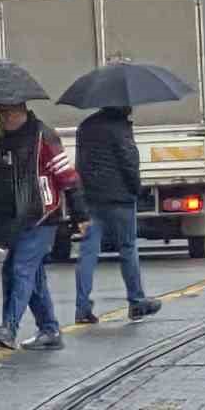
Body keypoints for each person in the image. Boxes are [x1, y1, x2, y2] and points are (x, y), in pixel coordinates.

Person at [0, 101, 86, 352]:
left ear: (19, 111)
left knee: (19, 269)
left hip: (42, 215)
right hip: (16, 216)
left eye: (5, 113)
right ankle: (49, 330)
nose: (1, 118)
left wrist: (80, 214)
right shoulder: (1, 139)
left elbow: (67, 177)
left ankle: (9, 328)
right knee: (30, 274)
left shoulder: (44, 136)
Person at [73, 105, 159, 326]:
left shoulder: (85, 126)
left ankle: (82, 308)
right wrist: (136, 188)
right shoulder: (120, 128)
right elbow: (129, 161)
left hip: (92, 197)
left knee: (88, 252)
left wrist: (83, 192)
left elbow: (80, 163)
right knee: (127, 249)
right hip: (120, 198)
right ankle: (136, 302)